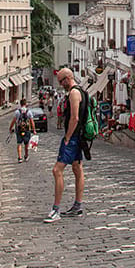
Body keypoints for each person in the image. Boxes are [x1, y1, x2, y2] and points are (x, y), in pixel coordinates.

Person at [44, 68, 85, 222]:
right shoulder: (80, 90)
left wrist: (67, 137)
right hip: (78, 136)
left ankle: (56, 210)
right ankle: (77, 205)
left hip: (73, 137)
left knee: (57, 170)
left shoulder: (74, 93)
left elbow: (74, 118)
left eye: (61, 81)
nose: (61, 85)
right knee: (77, 168)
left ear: (68, 78)